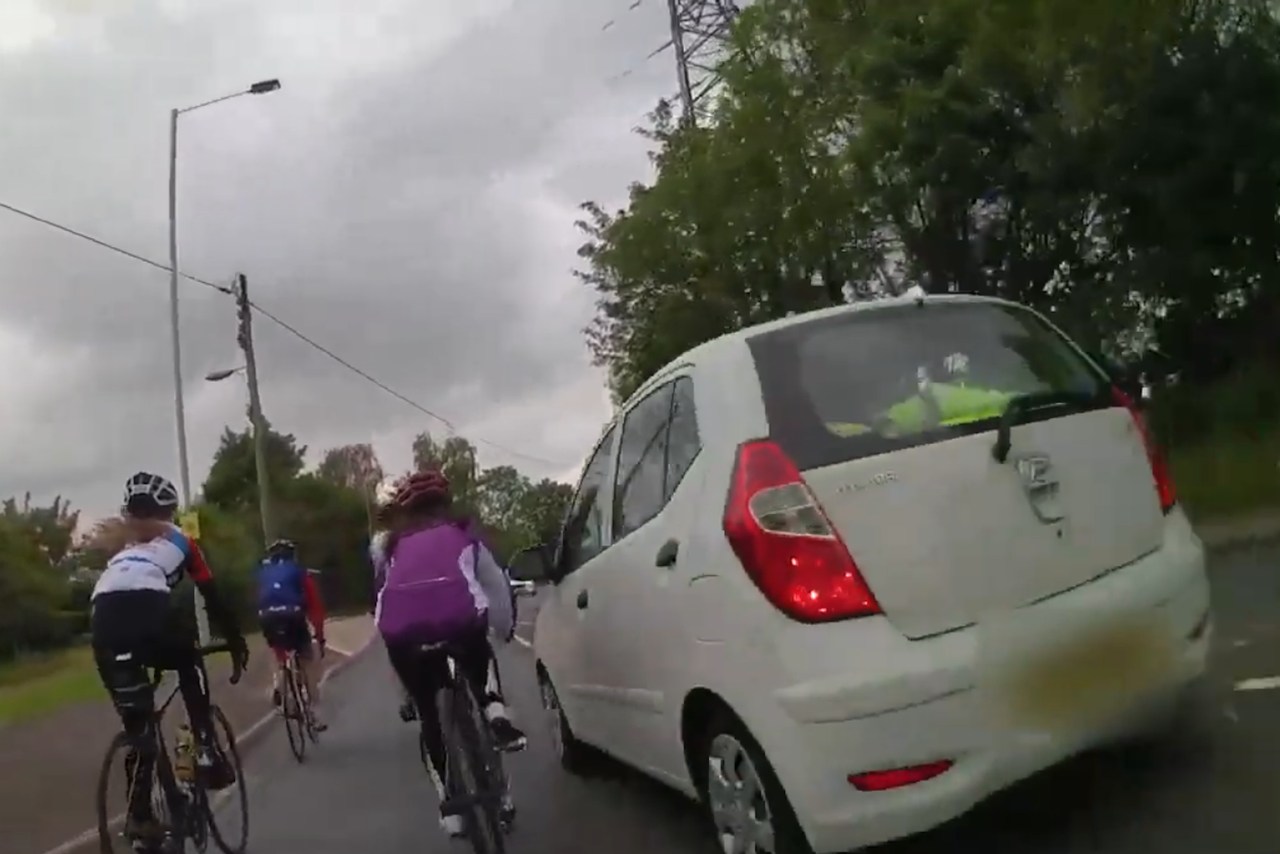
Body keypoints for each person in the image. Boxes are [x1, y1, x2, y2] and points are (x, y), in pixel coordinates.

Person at [91, 471, 250, 852]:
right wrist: (235, 642)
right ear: (170, 511)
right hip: (147, 611)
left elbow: (118, 592)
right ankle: (205, 747)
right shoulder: (183, 541)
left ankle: (140, 817)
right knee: (189, 659)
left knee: (139, 728)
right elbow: (212, 596)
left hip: (102, 621)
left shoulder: (123, 551)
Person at [374, 468, 525, 837]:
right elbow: (496, 590)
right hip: (459, 624)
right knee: (478, 649)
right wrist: (504, 631)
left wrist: (405, 694)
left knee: (429, 716)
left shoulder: (389, 546)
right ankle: (493, 709)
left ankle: (450, 808)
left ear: (405, 513)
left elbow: (382, 605)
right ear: (446, 503)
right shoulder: (465, 533)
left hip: (405, 638)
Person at [257, 538, 328, 731]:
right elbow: (315, 608)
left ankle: (278, 685)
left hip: (268, 616)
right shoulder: (299, 572)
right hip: (292, 615)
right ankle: (314, 715)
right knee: (307, 662)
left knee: (278, 653)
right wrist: (320, 638)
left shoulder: (264, 573)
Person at [369, 476, 419, 722]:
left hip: (398, 604)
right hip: (431, 597)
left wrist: (376, 606)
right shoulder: (424, 529)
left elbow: (379, 578)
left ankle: (409, 696)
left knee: (397, 649)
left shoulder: (379, 542)